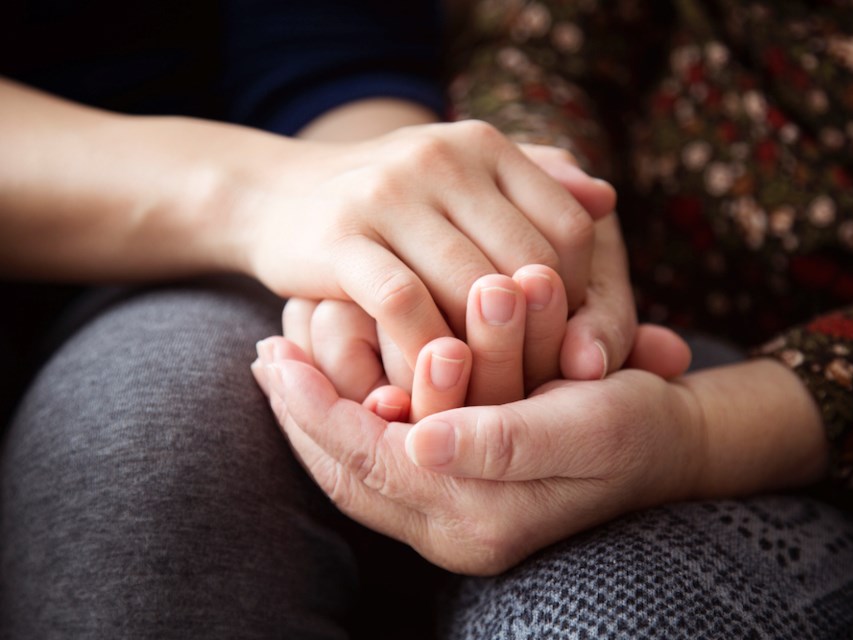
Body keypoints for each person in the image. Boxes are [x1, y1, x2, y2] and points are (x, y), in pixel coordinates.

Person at [253, 0, 853, 637]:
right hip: (657, 340)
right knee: (596, 616)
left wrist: (704, 431)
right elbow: (546, 50)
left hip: (769, 393)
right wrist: (543, 218)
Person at [0, 1, 698, 637]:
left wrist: (398, 252)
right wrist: (263, 196)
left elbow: (332, 57)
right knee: (142, 436)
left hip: (265, 227)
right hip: (154, 225)